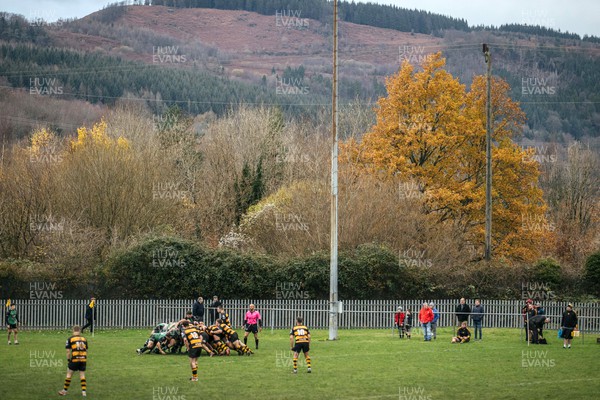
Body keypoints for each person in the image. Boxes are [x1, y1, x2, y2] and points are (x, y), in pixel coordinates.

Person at [58, 325, 88, 397]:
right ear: (80, 331)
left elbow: (68, 352)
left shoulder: (70, 339)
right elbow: (86, 350)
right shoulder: (84, 339)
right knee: (82, 375)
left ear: (73, 330)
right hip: (83, 359)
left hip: (75, 359)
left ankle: (64, 391)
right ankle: (84, 392)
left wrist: (68, 360)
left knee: (69, 374)